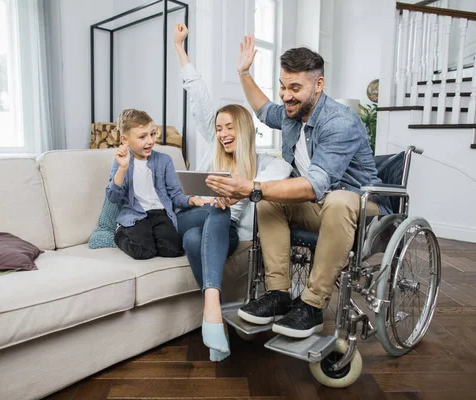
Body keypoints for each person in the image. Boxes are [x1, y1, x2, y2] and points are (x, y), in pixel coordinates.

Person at [206, 35, 391, 339]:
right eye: (282, 86)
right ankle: (278, 294)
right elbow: (263, 110)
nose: (285, 96)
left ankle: (312, 306)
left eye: (294, 88)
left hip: (364, 209)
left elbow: (314, 186)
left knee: (336, 198)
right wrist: (243, 73)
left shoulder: (339, 122)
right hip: (322, 205)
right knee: (268, 199)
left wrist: (252, 186)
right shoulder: (293, 115)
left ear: (318, 85)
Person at [173, 24, 292, 361]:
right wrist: (180, 47)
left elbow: (281, 179)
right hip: (191, 212)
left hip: (218, 229)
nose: (222, 133)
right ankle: (216, 306)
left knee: (196, 239)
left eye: (229, 127)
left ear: (244, 129)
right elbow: (198, 95)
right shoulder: (213, 148)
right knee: (214, 210)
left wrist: (244, 191)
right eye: (218, 127)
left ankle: (213, 312)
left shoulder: (266, 164)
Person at [106, 108, 208, 260]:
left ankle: (150, 236)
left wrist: (192, 200)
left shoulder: (164, 160)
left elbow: (176, 194)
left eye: (152, 134)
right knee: (143, 251)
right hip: (136, 215)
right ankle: (120, 234)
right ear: (125, 140)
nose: (150, 141)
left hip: (160, 213)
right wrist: (122, 168)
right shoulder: (121, 162)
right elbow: (113, 197)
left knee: (174, 250)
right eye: (143, 137)